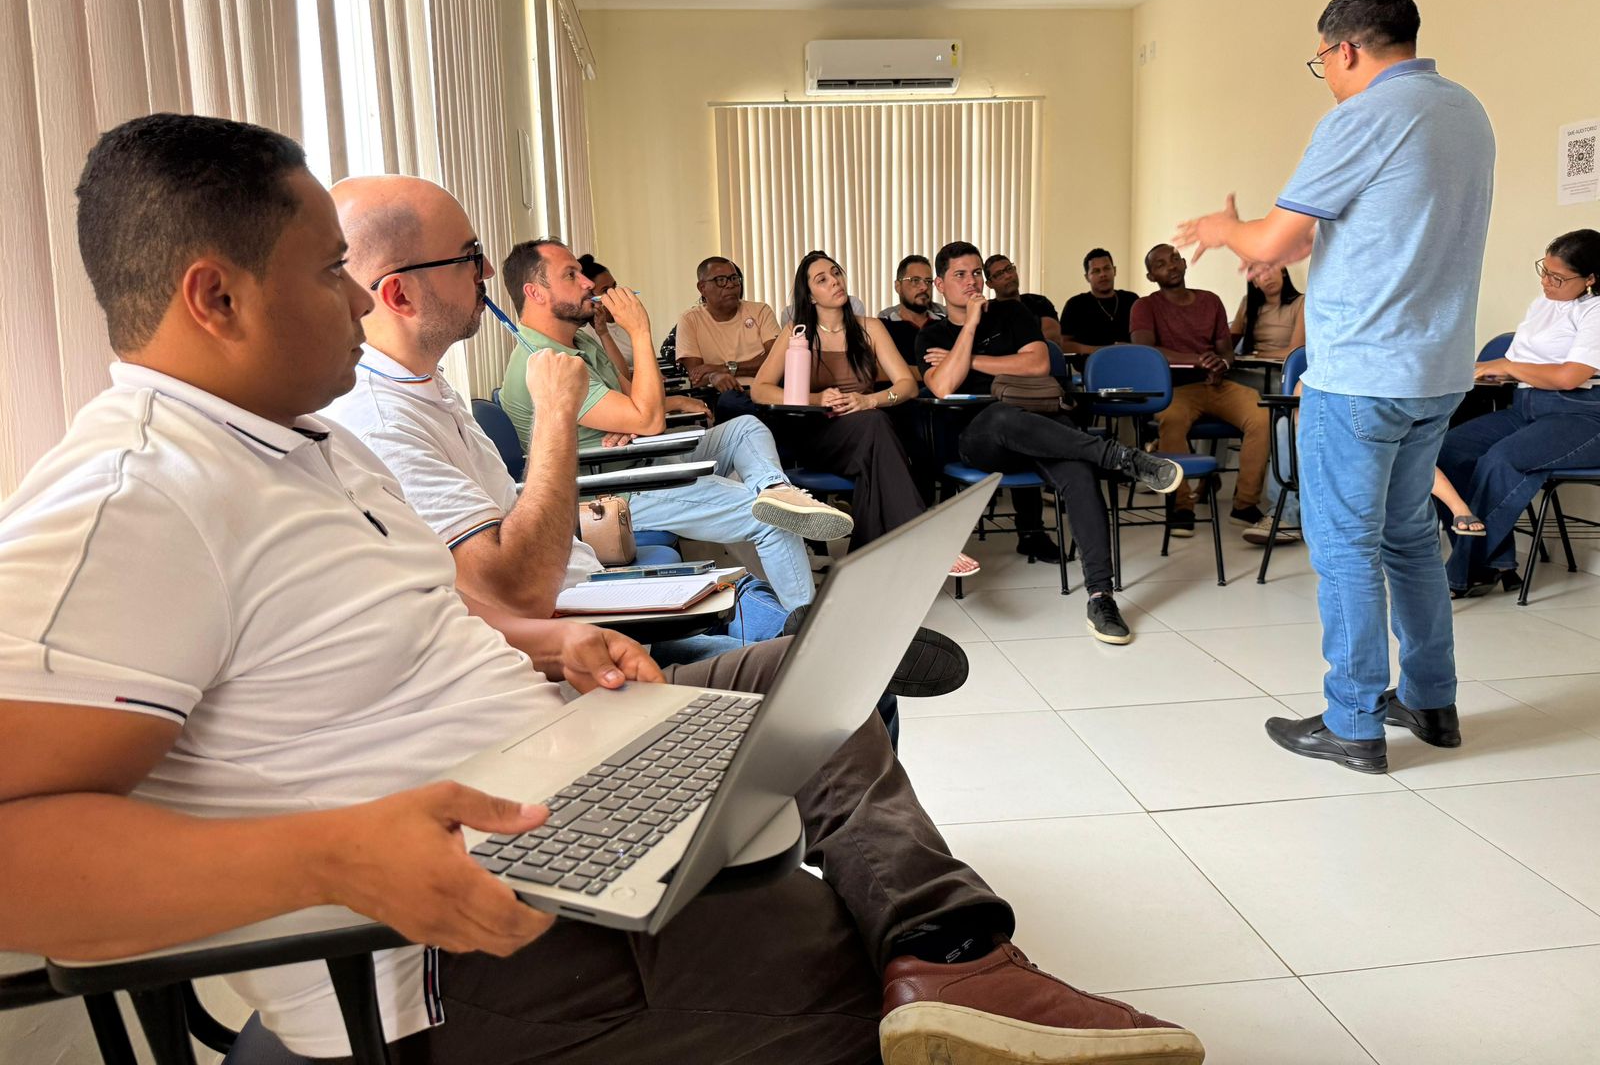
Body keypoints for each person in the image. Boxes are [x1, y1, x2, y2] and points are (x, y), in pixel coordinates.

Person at [0, 113, 1204, 1065]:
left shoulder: (305, 441)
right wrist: (325, 859)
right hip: (456, 955)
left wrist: (542, 647)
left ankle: (951, 951)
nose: (363, 299)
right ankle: (927, 960)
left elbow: (407, 622)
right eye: (330, 273)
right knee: (849, 991)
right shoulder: (131, 498)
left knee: (801, 683)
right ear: (217, 297)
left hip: (551, 795)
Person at [1175, 0, 1495, 773]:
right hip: (1438, 368)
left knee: (1347, 548)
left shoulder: (1361, 115)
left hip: (1360, 376)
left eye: (1323, 59)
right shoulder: (1465, 111)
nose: (1328, 72)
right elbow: (1390, 226)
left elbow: (1274, 245)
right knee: (1411, 539)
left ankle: (1352, 721)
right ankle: (1431, 699)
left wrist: (1224, 227)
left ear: (1345, 48)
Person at [318, 176, 770, 664]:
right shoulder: (382, 423)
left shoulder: (430, 387)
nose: (488, 270)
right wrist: (557, 411)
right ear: (400, 296)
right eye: (469, 256)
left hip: (593, 599)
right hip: (569, 646)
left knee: (780, 627)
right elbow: (517, 594)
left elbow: (518, 511)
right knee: (793, 665)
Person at [498, 238, 851, 615]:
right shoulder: (545, 363)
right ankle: (808, 629)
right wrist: (638, 332)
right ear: (534, 292)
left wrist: (641, 415)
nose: (587, 282)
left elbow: (638, 398)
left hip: (639, 460)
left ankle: (778, 490)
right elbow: (648, 417)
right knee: (766, 519)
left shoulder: (578, 341)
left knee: (745, 427)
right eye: (572, 274)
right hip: (611, 494)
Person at [920, 241, 1186, 645]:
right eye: (960, 275)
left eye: (977, 273)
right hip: (982, 437)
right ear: (940, 284)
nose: (972, 282)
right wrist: (970, 326)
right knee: (1002, 415)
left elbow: (1039, 364)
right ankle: (1120, 457)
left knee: (1080, 475)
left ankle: (1101, 596)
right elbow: (941, 386)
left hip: (1044, 427)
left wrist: (968, 360)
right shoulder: (933, 333)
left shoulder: (1011, 312)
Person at [752, 250, 980, 577]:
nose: (835, 282)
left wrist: (868, 400)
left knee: (875, 432)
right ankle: (925, 536)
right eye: (822, 279)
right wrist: (816, 399)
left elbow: (907, 385)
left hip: (866, 432)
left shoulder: (870, 327)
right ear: (811, 296)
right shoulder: (797, 332)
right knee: (878, 432)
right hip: (817, 437)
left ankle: (860, 568)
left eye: (836, 273)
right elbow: (760, 388)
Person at [1439, 230, 1600, 598]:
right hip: (1528, 406)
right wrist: (1492, 367)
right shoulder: (1541, 304)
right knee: (1447, 452)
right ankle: (1496, 562)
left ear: (1590, 278)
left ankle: (1465, 571)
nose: (1547, 281)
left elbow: (1569, 376)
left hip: (1583, 416)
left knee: (1502, 459)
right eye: (1544, 270)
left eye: (1558, 278)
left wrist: (1509, 366)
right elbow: (1519, 363)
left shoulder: (1596, 311)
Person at [1131, 243, 1271, 538]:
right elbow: (1144, 350)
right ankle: (1182, 506)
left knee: (1261, 414)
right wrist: (1196, 359)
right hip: (1174, 390)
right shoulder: (1145, 306)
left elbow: (1226, 352)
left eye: (1174, 259)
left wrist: (1220, 364)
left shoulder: (1210, 301)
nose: (1170, 266)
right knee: (1172, 422)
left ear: (1183, 263)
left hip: (1215, 385)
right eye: (1160, 264)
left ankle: (1244, 505)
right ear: (1150, 275)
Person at [672, 256, 778, 392]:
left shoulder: (761, 311)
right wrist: (714, 376)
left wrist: (723, 369)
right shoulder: (690, 320)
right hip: (721, 396)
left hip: (766, 393)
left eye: (734, 278)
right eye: (720, 280)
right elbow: (697, 377)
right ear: (702, 288)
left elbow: (776, 361)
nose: (730, 285)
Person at [1059, 248, 1140, 354]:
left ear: (1114, 270)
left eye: (1107, 268)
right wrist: (1101, 351)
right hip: (1090, 367)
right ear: (1087, 277)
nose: (1103, 274)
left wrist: (1126, 348)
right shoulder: (1075, 304)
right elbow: (1063, 344)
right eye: (1096, 271)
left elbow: (1144, 341)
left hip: (1131, 362)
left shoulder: (1131, 299)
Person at [877, 252, 946, 372]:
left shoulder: (945, 323)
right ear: (898, 286)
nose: (924, 287)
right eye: (915, 280)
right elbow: (876, 372)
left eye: (928, 281)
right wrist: (933, 374)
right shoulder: (882, 326)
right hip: (898, 391)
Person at [1229, 267, 1306, 361]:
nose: (1267, 277)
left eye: (1270, 269)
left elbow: (1296, 352)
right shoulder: (1248, 303)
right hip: (1249, 367)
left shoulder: (1302, 302)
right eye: (1258, 275)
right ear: (1255, 283)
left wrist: (1258, 355)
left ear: (1283, 271)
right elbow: (1229, 343)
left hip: (1281, 369)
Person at [983, 252, 1062, 345]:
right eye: (999, 274)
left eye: (1009, 269)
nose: (1008, 276)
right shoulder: (987, 311)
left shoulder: (1039, 302)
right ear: (989, 284)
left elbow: (1052, 339)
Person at [578, 253, 634, 368]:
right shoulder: (585, 333)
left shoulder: (626, 322)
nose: (614, 293)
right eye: (605, 290)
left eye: (614, 286)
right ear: (589, 297)